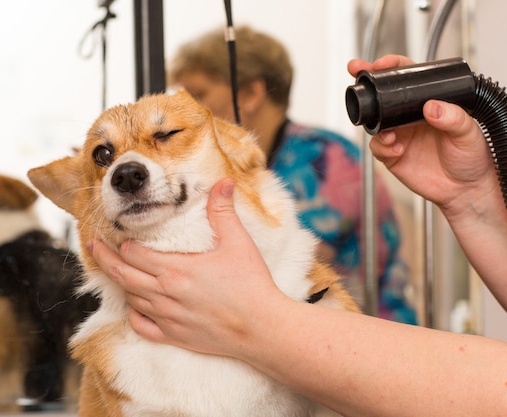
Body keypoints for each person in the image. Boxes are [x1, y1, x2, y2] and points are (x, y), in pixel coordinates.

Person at [88, 54, 507, 416]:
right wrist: (472, 198)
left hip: (375, 336)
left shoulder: (321, 155)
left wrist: (256, 319)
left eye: (168, 134)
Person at [168, 25, 416, 323]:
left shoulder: (326, 158)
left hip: (368, 336)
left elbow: (266, 266)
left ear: (250, 93)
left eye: (197, 95)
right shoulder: (249, 164)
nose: (182, 112)